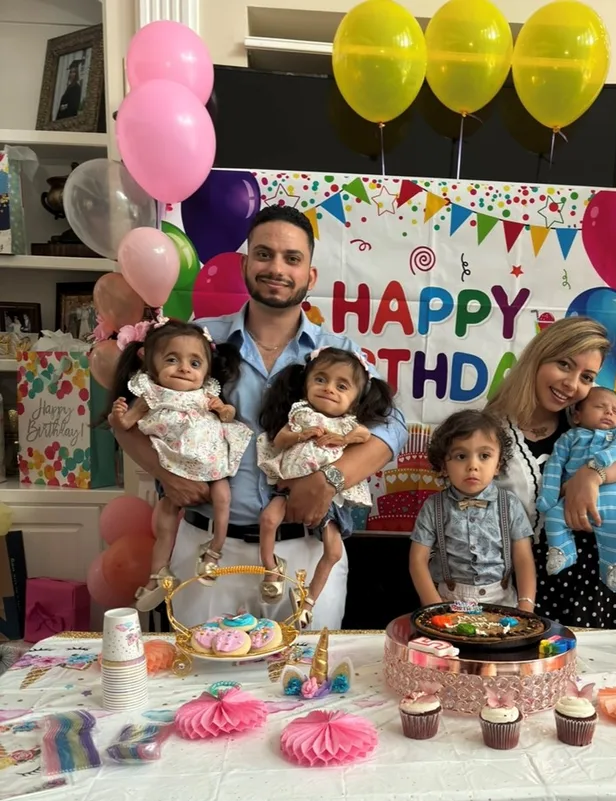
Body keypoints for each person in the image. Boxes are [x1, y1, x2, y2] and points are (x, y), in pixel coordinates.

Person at [109, 205, 407, 629]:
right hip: (206, 551)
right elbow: (126, 416)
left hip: (304, 550)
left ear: (310, 276)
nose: (277, 268)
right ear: (246, 264)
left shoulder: (337, 353)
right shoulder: (198, 341)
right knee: (202, 684)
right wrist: (164, 471)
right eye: (264, 255)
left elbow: (392, 426)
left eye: (292, 258)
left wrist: (328, 480)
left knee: (304, 686)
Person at [487, 317, 616, 629]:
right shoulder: (491, 428)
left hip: (605, 572)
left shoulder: (591, 414)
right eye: (564, 365)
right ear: (538, 356)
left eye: (586, 377)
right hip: (532, 579)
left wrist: (593, 474)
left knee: (609, 673)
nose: (572, 385)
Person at [107, 318, 251, 611]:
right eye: (173, 360)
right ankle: (157, 573)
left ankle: (214, 551)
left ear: (207, 370)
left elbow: (228, 413)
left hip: (210, 461)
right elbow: (127, 424)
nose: (185, 368)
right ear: (151, 364)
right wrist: (120, 415)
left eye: (195, 363)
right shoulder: (152, 394)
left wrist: (224, 409)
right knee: (166, 517)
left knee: (223, 498)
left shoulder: (206, 394)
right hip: (175, 463)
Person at [257, 346, 395, 627]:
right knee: (268, 519)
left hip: (329, 500)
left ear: (355, 401)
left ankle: (309, 602)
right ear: (305, 384)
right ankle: (271, 569)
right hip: (288, 485)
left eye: (341, 386)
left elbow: (364, 434)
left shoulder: (347, 423)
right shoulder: (299, 413)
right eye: (320, 379)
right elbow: (278, 441)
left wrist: (342, 439)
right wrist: (300, 435)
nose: (329, 389)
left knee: (333, 551)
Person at [410, 409, 536, 610]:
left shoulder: (510, 505)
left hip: (503, 602)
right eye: (461, 456)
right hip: (447, 601)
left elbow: (523, 559)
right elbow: (418, 560)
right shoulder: (433, 507)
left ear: (498, 465)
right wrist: (434, 606)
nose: (473, 466)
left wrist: (526, 606)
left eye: (484, 456)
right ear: (443, 465)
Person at [536, 387, 616, 593]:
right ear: (577, 415)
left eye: (615, 410)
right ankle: (562, 552)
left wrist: (605, 458)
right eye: (600, 407)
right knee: (554, 518)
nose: (609, 412)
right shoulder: (569, 437)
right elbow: (555, 465)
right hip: (571, 502)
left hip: (613, 501)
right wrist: (548, 497)